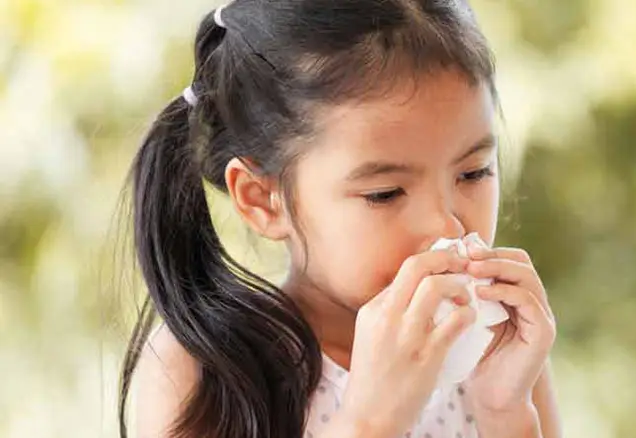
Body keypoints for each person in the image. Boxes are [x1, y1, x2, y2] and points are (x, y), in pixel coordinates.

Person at [119, 1, 560, 437]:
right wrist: (371, 423)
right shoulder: (202, 370)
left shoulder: (495, 347)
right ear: (262, 199)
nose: (447, 226)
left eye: (474, 172)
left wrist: (504, 412)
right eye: (384, 194)